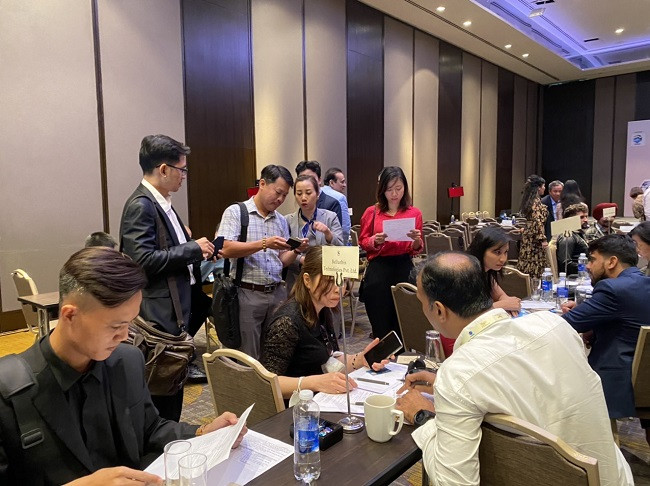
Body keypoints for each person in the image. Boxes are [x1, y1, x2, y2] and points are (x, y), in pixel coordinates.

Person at [0, 247, 246, 485]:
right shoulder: (8, 391)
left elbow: (150, 429)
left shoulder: (127, 361)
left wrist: (204, 432)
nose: (125, 335)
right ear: (70, 315)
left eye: (130, 323)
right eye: (115, 326)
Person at [394, 251, 632, 485]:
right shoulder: (553, 324)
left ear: (438, 310)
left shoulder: (459, 373)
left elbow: (454, 482)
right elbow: (533, 385)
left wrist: (424, 416)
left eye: (421, 303)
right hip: (612, 475)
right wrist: (448, 388)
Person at [119, 134, 214, 420]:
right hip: (158, 315)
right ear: (163, 169)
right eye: (182, 170)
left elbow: (167, 250)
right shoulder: (142, 205)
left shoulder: (161, 202)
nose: (184, 176)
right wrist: (192, 249)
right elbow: (142, 261)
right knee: (161, 398)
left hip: (175, 308)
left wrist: (197, 249)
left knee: (172, 390)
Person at [260, 246, 388, 399]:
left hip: (321, 398)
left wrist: (360, 359)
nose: (339, 289)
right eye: (329, 280)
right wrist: (314, 382)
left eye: (343, 281)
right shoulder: (287, 322)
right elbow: (268, 383)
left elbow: (328, 360)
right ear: (307, 280)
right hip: (297, 406)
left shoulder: (322, 310)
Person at [561, 235, 650, 443]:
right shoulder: (643, 283)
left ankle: (591, 450)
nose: (588, 266)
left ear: (612, 262)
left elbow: (567, 324)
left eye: (592, 260)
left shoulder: (612, 289)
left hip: (622, 381)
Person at [217, 165, 307, 360]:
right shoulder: (236, 212)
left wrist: (295, 250)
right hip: (247, 293)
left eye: (285, 196)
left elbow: (281, 261)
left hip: (276, 293)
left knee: (274, 352)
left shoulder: (280, 220)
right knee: (247, 356)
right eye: (278, 192)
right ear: (263, 184)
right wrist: (264, 244)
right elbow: (224, 248)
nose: (280, 199)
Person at [359, 166, 423, 339]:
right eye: (389, 189)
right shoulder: (371, 212)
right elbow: (363, 241)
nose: (394, 194)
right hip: (379, 269)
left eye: (398, 188)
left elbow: (417, 248)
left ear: (405, 188)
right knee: (380, 320)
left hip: (404, 267)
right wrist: (375, 241)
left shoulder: (414, 213)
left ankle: (402, 354)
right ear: (382, 190)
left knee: (404, 319)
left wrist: (416, 240)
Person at [285, 175, 343, 291]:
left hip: (326, 276)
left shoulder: (330, 217)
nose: (303, 198)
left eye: (308, 193)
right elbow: (284, 252)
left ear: (317, 194)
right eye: (299, 193)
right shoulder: (287, 220)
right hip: (297, 277)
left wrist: (327, 233)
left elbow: (340, 247)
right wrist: (301, 259)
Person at [466, 227, 521, 314]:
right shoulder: (465, 273)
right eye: (497, 252)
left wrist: (508, 302)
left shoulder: (487, 271)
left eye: (506, 252)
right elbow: (466, 313)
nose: (503, 259)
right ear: (481, 250)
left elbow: (501, 295)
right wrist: (501, 305)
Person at [295, 161, 344, 230]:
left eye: (311, 178)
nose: (306, 182)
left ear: (319, 180)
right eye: (303, 178)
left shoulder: (332, 203)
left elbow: (338, 233)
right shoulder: (289, 218)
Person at [516, 174, 548, 279]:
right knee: (534, 263)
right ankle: (533, 284)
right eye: (543, 186)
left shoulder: (529, 200)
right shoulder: (536, 202)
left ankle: (526, 283)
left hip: (528, 236)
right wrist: (542, 239)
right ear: (538, 187)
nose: (544, 188)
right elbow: (537, 221)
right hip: (534, 240)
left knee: (527, 261)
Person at [556, 203, 590, 275]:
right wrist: (588, 268)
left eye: (586, 216)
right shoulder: (567, 237)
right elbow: (565, 264)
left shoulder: (579, 233)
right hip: (574, 276)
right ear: (570, 220)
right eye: (581, 217)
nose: (586, 220)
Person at [322, 167, 351, 244]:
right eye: (342, 182)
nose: (345, 185)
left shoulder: (317, 193)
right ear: (331, 183)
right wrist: (344, 244)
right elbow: (345, 228)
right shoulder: (340, 198)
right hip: (333, 243)